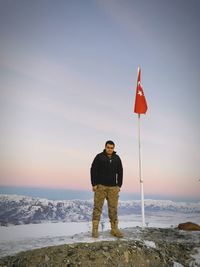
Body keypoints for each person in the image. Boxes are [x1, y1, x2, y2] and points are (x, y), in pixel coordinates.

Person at [90, 140, 123, 238]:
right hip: (101, 187)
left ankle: (114, 229)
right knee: (97, 208)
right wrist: (94, 183)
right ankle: (95, 230)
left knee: (113, 209)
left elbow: (120, 171)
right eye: (108, 147)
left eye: (111, 148)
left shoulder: (117, 158)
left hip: (113, 188)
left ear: (114, 148)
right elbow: (93, 169)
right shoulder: (99, 157)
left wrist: (119, 185)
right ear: (105, 147)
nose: (110, 149)